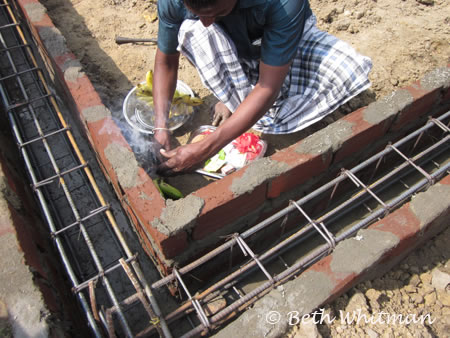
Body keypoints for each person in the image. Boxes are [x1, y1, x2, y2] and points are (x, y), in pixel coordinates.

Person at [154, 0, 372, 175]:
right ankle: (230, 97)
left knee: (344, 69)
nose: (206, 21)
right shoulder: (175, 3)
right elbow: (166, 61)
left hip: (284, 48)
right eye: (197, 12)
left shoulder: (282, 4)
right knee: (195, 32)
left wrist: (205, 149)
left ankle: (245, 103)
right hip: (236, 49)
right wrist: (161, 126)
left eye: (216, 13)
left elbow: (268, 87)